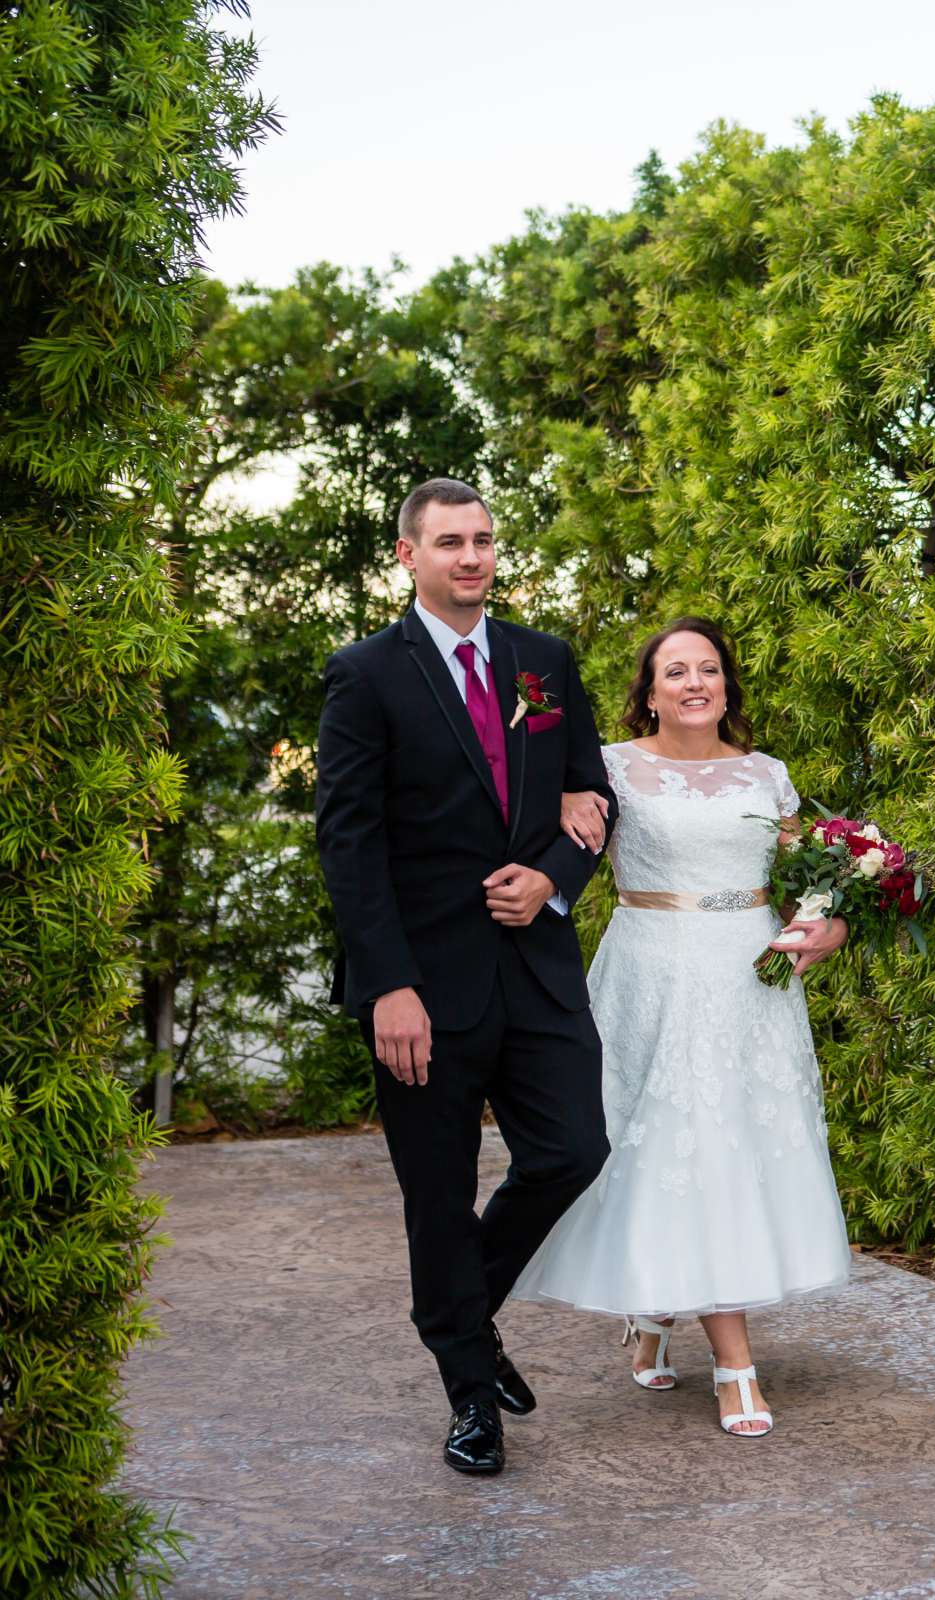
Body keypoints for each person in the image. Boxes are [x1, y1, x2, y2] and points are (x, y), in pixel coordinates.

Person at [314, 478, 616, 1476]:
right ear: (409, 555)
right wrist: (386, 983)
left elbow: (593, 795)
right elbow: (349, 842)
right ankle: (470, 1394)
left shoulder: (546, 663)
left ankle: (457, 1316)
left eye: (483, 540)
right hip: (423, 990)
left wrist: (556, 878)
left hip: (535, 974)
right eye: (450, 542)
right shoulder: (365, 675)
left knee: (574, 1147)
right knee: (437, 1197)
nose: (472, 558)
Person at [510, 617, 853, 1437]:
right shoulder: (614, 771)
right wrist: (560, 793)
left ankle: (655, 1314)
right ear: (650, 691)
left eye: (708, 669)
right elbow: (550, 816)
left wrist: (829, 922)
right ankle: (735, 1367)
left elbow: (810, 881)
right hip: (652, 973)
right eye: (675, 671)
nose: (695, 682)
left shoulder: (767, 775)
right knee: (672, 1150)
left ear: (727, 684)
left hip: (750, 981)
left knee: (733, 1150)